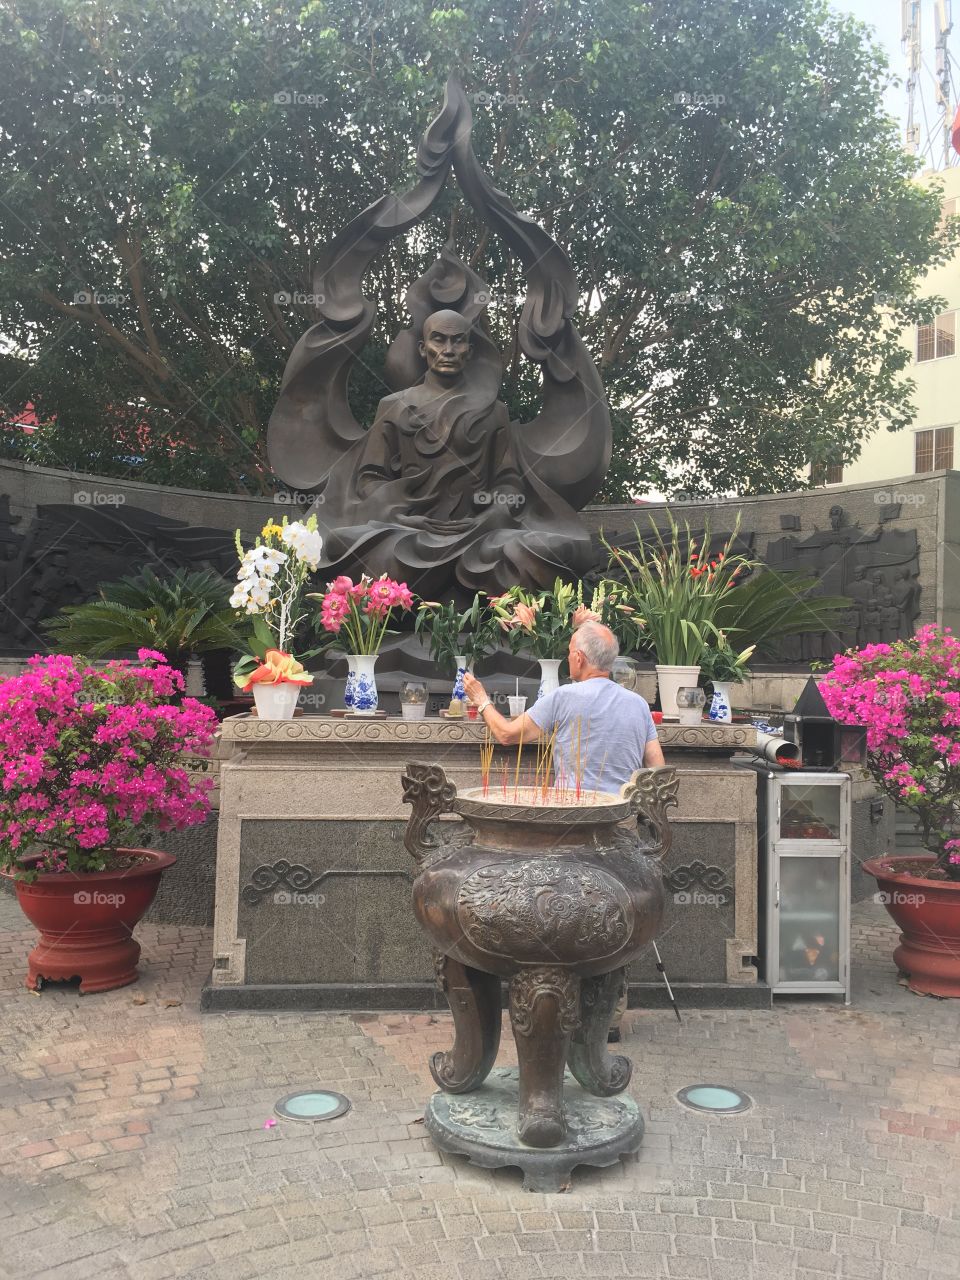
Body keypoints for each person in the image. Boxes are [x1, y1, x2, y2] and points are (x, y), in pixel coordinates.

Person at [463, 619, 665, 1041]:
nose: (569, 653)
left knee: (565, 917)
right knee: (614, 914)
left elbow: (504, 735)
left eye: (571, 647)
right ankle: (608, 1015)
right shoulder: (638, 706)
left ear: (579, 658)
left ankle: (559, 1006)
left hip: (568, 829)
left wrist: (481, 699)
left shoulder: (563, 698)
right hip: (619, 826)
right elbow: (658, 770)